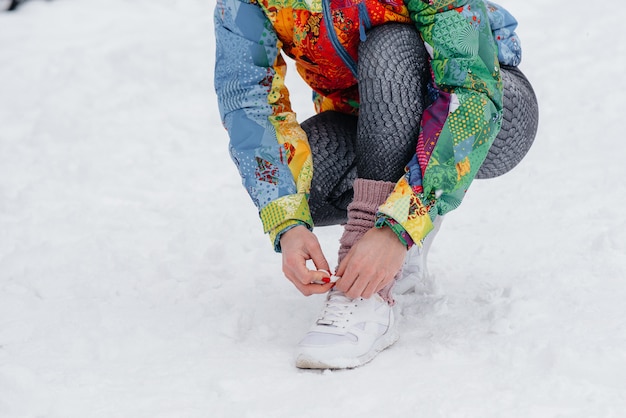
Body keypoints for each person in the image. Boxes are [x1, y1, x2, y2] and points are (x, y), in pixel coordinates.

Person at [213, 0, 538, 369]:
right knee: (306, 187)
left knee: (389, 45)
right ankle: (400, 215)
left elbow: (472, 87)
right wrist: (287, 224)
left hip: (489, 106)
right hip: (373, 121)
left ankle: (368, 290)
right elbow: (249, 104)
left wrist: (397, 228)